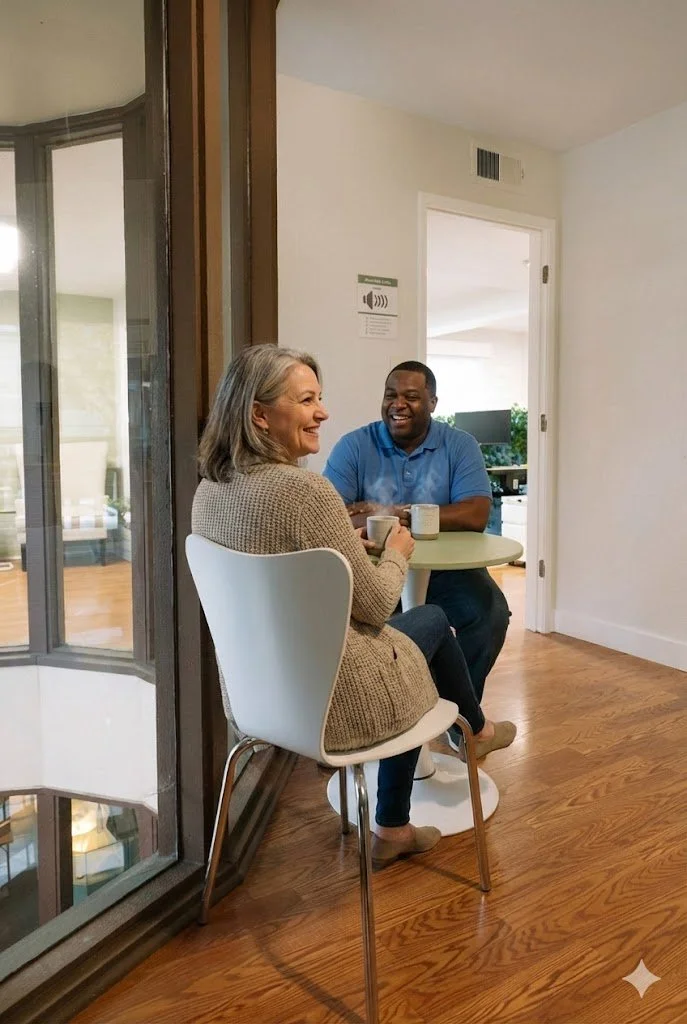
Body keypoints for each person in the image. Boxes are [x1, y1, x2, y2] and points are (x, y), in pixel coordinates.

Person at [192, 345, 515, 870]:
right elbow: (374, 604)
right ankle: (464, 743)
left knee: (451, 618)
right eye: (307, 400)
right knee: (427, 624)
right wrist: (394, 553)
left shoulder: (210, 491)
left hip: (261, 698)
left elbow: (292, 550)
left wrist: (347, 544)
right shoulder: (305, 491)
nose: (323, 412)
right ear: (259, 414)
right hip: (338, 701)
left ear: (432, 402)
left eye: (320, 399)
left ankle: (460, 748)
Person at [323, 360, 511, 732]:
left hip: (449, 571)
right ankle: (404, 718)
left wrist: (386, 512)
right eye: (391, 395)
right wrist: (426, 514)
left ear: (433, 402)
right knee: (385, 629)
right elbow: (333, 514)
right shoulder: (355, 445)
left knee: (489, 615)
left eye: (411, 396)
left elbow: (475, 513)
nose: (399, 404)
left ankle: (458, 717)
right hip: (376, 571)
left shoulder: (459, 445)